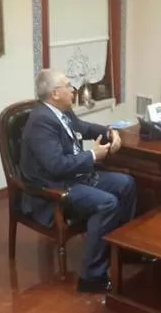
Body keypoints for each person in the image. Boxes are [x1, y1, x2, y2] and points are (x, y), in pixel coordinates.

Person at [20, 69, 136, 293]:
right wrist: (93, 155)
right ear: (55, 93)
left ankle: (122, 249)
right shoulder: (40, 122)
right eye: (68, 85)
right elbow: (56, 166)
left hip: (76, 176)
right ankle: (91, 277)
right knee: (107, 203)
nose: (73, 90)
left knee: (126, 184)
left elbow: (85, 128)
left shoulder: (62, 112)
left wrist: (110, 132)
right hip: (54, 188)